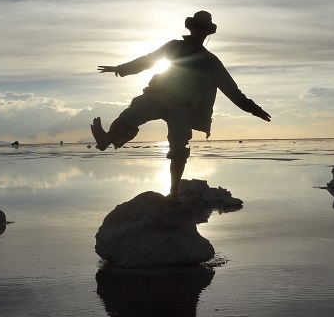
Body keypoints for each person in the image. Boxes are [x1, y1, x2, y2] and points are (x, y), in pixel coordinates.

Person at [91, 11, 271, 202]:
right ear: (191, 28)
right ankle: (105, 140)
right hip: (158, 96)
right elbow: (149, 59)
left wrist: (254, 109)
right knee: (132, 113)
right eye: (197, 27)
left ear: (207, 33)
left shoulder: (211, 61)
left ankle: (174, 195)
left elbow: (232, 90)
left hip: (183, 108)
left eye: (203, 29)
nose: (199, 31)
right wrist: (121, 68)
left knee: (179, 149)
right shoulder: (174, 46)